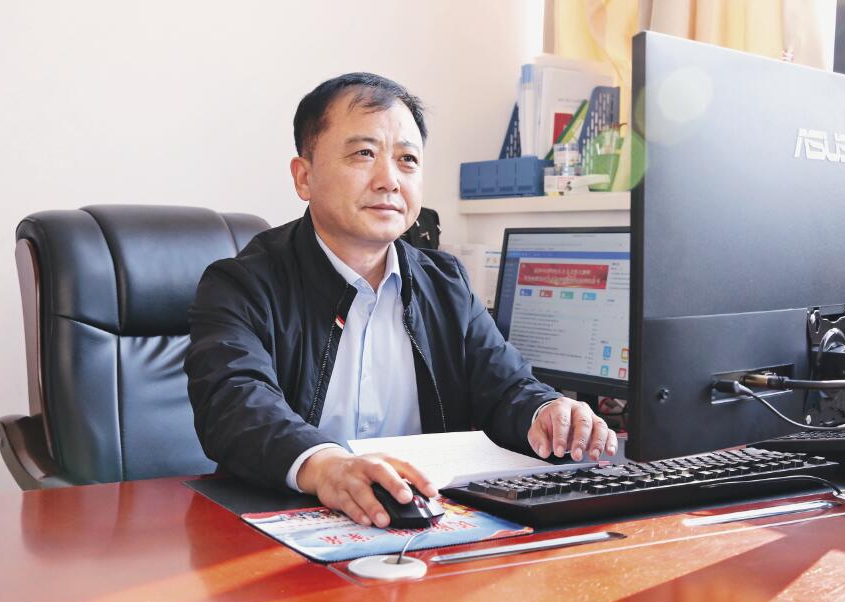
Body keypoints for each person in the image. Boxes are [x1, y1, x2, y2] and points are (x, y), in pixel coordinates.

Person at [185, 72, 617, 529]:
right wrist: (326, 466)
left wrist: (547, 411)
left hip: (421, 527)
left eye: (407, 159)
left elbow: (507, 387)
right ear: (304, 176)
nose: (389, 180)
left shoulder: (446, 283)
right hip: (283, 526)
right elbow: (235, 404)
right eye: (364, 153)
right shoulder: (242, 284)